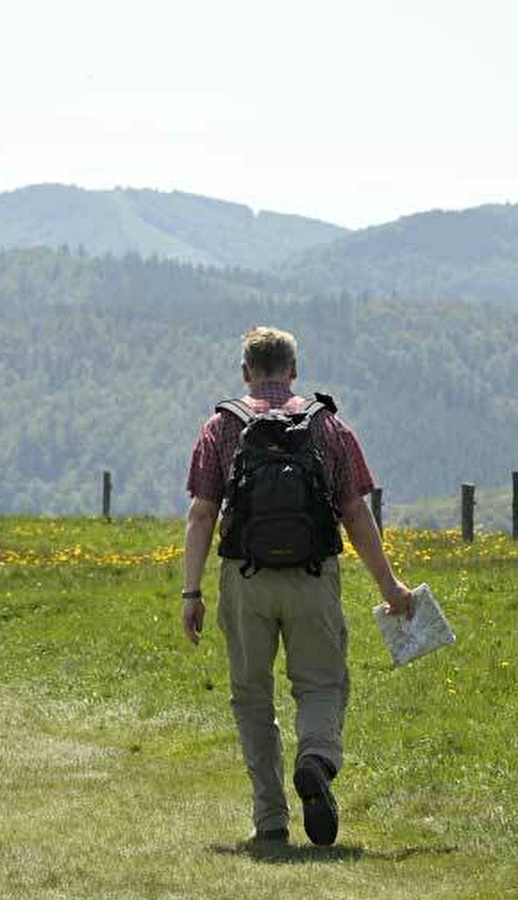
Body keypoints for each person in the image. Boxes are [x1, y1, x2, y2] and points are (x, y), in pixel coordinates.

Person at [181, 326, 414, 848]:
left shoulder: (220, 427)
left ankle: (270, 820)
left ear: (245, 372)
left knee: (252, 697)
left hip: (245, 580)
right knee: (322, 684)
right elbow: (355, 512)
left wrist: (191, 593)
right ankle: (316, 759)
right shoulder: (328, 426)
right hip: (312, 579)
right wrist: (390, 586)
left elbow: (201, 515)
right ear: (294, 370)